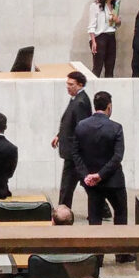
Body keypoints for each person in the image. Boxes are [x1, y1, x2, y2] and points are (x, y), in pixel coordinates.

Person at [73, 91, 132, 261]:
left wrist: (87, 176)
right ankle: (121, 254)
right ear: (109, 107)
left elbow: (75, 154)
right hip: (114, 181)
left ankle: (97, 258)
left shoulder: (81, 126)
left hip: (92, 184)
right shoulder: (116, 128)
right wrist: (101, 174)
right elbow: (117, 156)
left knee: (95, 218)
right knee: (120, 214)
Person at [52, 71, 92, 209]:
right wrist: (59, 135)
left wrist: (75, 149)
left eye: (71, 84)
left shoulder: (80, 102)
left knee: (67, 183)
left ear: (80, 85)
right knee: (83, 181)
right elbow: (69, 122)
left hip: (73, 151)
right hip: (73, 150)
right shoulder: (76, 99)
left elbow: (81, 128)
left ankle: (62, 208)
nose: (68, 87)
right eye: (67, 84)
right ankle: (102, 208)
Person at [88, 0, 120, 78]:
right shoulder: (96, 5)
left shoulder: (115, 5)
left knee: (110, 68)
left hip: (111, 37)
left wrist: (118, 21)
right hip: (99, 38)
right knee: (97, 67)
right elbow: (91, 25)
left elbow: (115, 25)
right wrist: (93, 42)